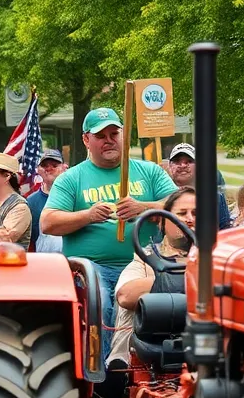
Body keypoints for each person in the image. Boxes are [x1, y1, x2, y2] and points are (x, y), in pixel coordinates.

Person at [40, 107, 176, 368]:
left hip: (146, 263)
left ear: (124, 136)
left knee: (163, 303)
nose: (109, 140)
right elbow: (48, 222)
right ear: (86, 140)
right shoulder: (72, 178)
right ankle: (100, 373)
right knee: (100, 302)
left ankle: (152, 369)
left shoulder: (149, 172)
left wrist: (144, 208)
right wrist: (87, 215)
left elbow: (178, 203)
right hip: (92, 267)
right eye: (101, 135)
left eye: (114, 133)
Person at [106, 188, 197, 393]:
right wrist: (189, 276)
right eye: (182, 214)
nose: (190, 219)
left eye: (197, 214)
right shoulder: (147, 257)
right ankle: (119, 367)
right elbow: (126, 295)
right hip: (153, 341)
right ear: (163, 221)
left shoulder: (221, 259)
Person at [166, 143, 231, 229]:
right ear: (170, 166)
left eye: (189, 161)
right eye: (177, 161)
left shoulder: (216, 198)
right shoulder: (163, 196)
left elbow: (225, 229)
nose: (183, 165)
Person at [27, 149, 67, 252]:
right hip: (44, 261)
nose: (49, 169)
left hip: (74, 261)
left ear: (64, 167)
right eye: (45, 165)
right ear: (38, 170)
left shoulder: (75, 195)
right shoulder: (31, 201)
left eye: (54, 165)